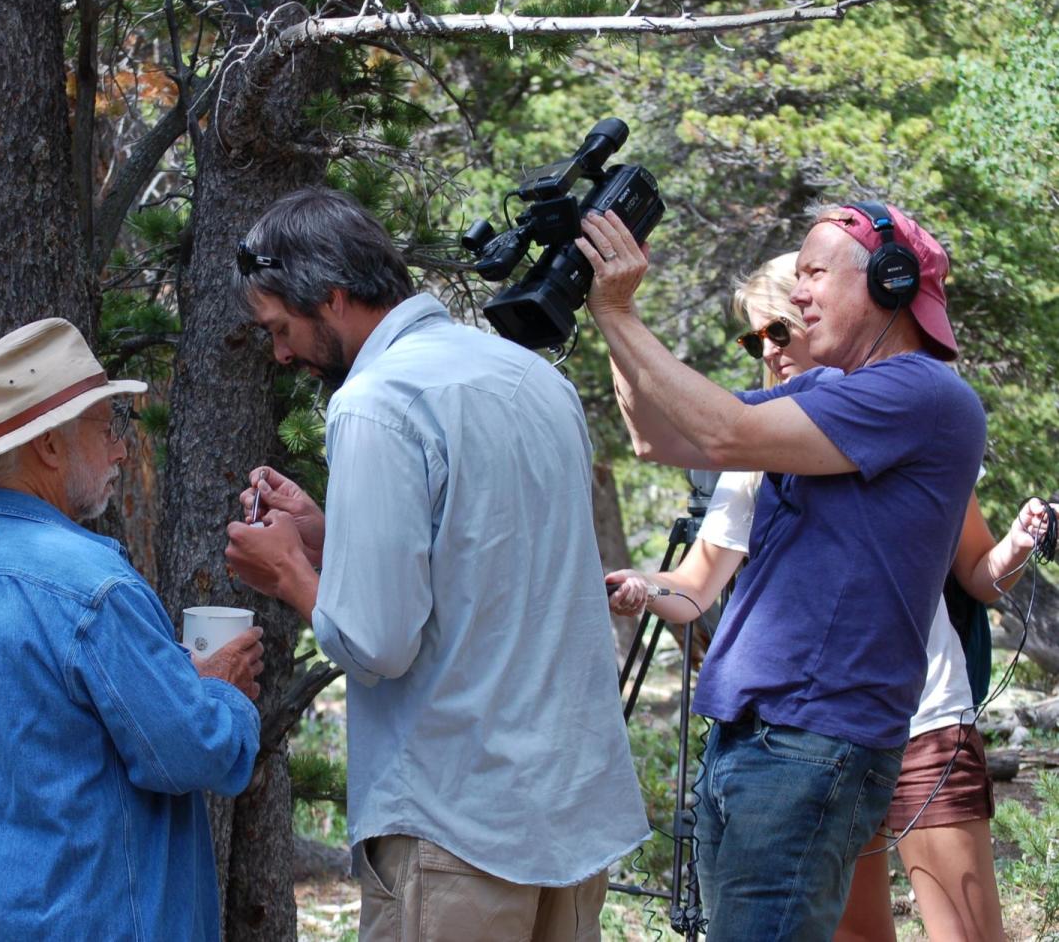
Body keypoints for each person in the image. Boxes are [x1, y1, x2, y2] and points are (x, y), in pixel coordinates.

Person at [222, 187, 649, 942]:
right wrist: (329, 537)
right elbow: (490, 565)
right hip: (569, 813)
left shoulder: (375, 402)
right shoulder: (532, 379)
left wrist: (290, 571)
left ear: (332, 295)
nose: (282, 353)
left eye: (281, 328)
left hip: (457, 823)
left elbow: (378, 642)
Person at [606, 253, 1050, 941]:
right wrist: (642, 585)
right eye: (755, 342)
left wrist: (1018, 548)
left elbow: (976, 576)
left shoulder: (908, 413)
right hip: (808, 732)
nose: (770, 352)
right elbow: (694, 574)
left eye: (777, 331)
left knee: (967, 934)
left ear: (824, 313)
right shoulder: (756, 432)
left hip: (922, 716)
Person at [0, 318, 264, 939]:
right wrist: (219, 689)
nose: (119, 449)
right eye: (107, 428)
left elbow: (9, 733)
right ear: (50, 448)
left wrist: (166, 687)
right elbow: (192, 753)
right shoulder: (93, 586)